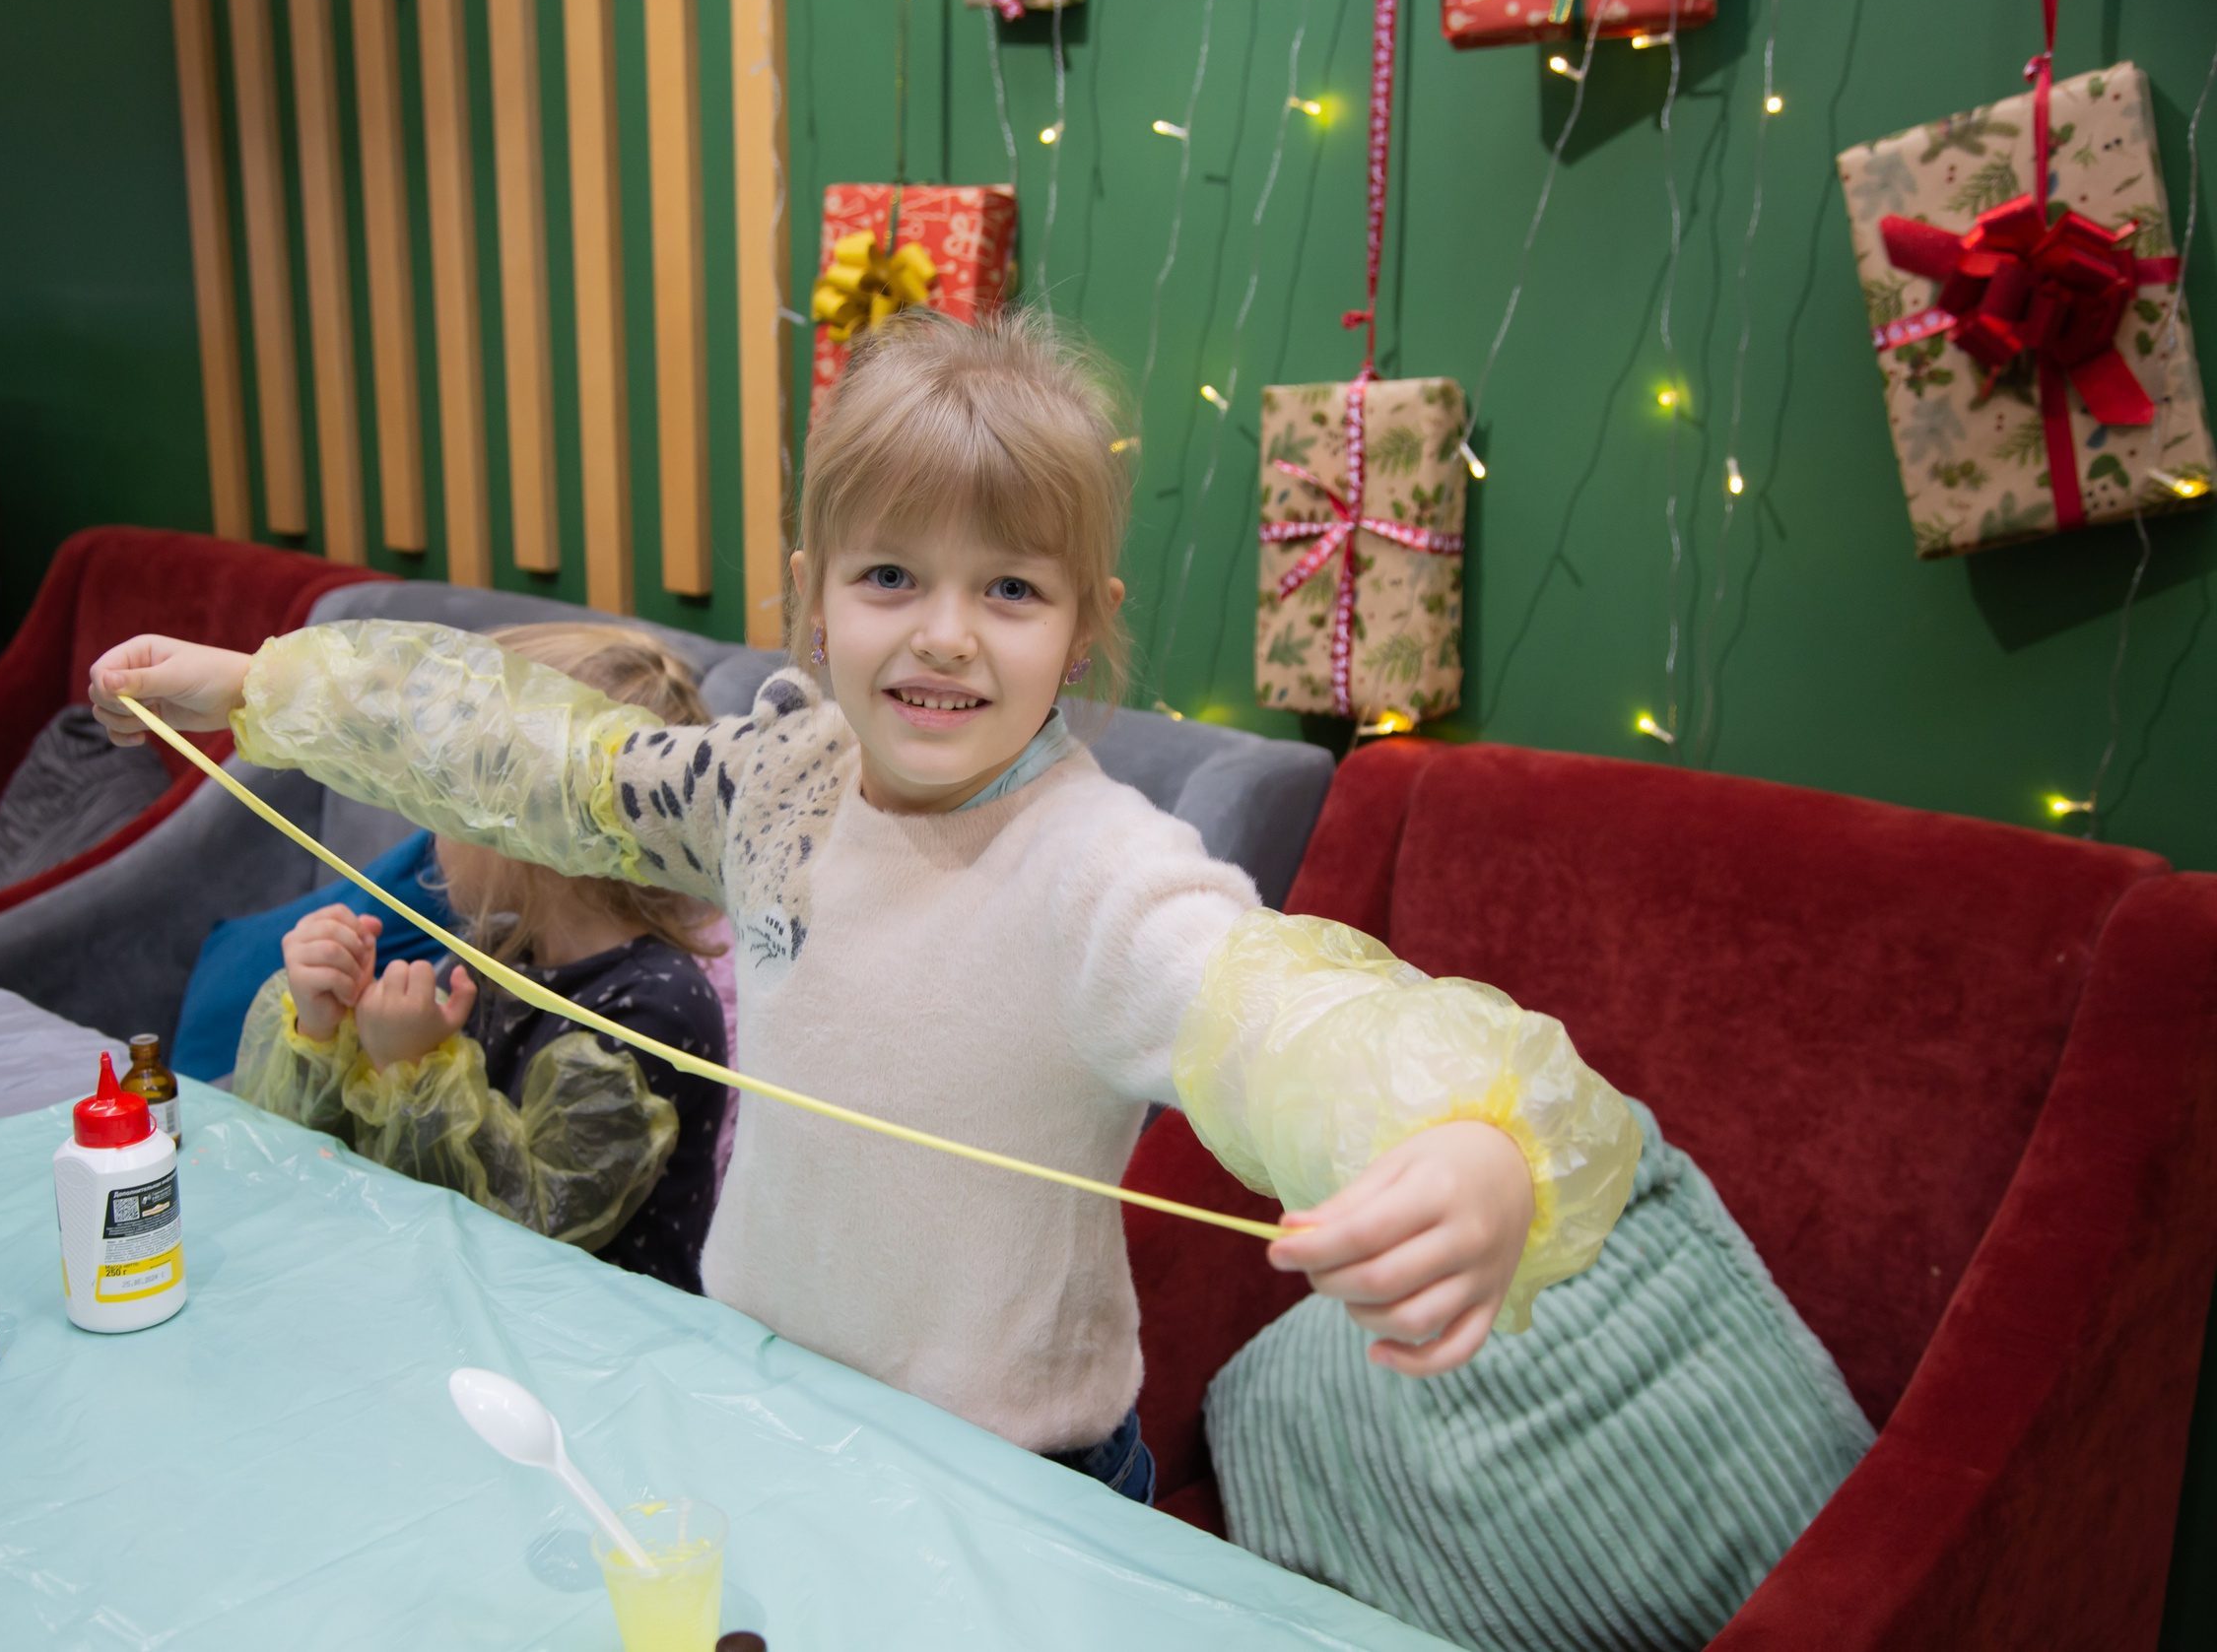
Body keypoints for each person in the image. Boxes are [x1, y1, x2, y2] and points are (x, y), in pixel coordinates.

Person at [90, 307, 1640, 1503]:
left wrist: (1473, 1140)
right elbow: (533, 756)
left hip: (1010, 1481)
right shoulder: (776, 787)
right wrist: (259, 687)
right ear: (810, 592)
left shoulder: (1099, 873)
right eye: (892, 576)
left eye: (1011, 590)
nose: (945, 636)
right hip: (761, 1403)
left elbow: (1289, 1015)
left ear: (1083, 624)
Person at [232, 623, 731, 1294]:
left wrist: (410, 1067)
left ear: (537, 826)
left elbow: (529, 1230)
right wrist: (324, 1034)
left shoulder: (658, 1007)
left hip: (598, 1359)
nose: (429, 818)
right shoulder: (498, 954)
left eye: (450, 790)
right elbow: (329, 1167)